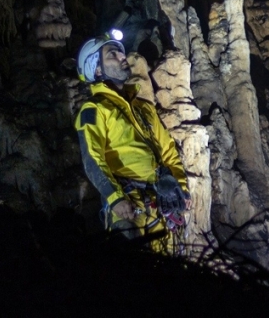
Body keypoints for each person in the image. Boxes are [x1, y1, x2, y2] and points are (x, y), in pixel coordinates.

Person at [74, 30, 192, 252]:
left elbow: (168, 152)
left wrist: (181, 188)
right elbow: (92, 158)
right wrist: (115, 199)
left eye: (121, 52)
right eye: (113, 55)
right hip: (129, 206)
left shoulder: (144, 109)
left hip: (161, 203)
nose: (122, 57)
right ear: (97, 70)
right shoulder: (95, 110)